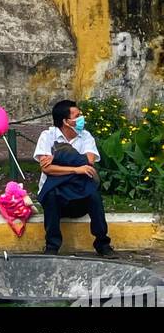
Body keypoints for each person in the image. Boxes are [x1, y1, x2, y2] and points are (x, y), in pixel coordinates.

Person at [33, 99, 115, 257]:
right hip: (57, 197)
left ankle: (102, 243)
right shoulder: (48, 136)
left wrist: (57, 155)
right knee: (50, 193)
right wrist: (77, 169)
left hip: (80, 195)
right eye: (77, 116)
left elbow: (89, 162)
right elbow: (47, 168)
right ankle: (52, 245)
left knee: (93, 195)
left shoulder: (85, 136)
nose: (81, 118)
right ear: (66, 121)